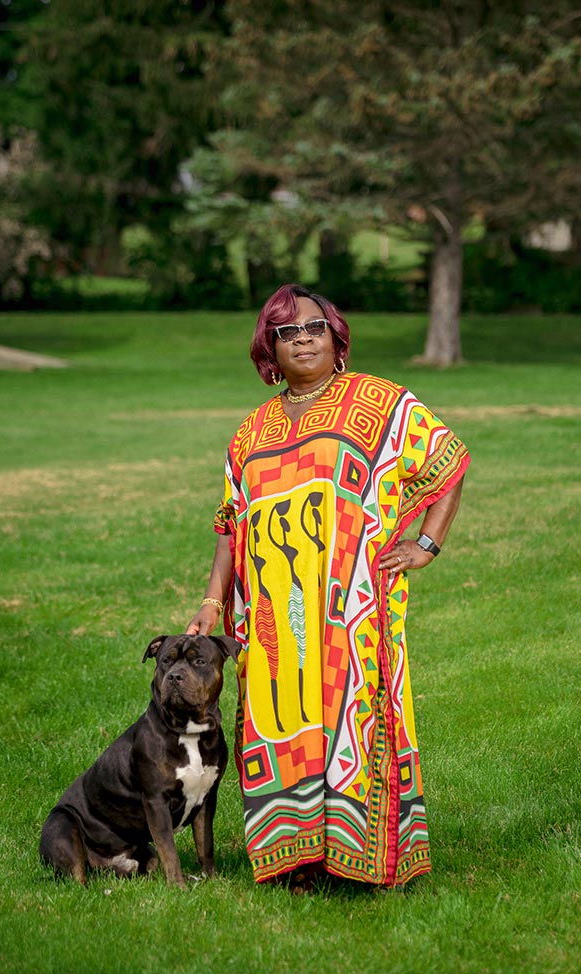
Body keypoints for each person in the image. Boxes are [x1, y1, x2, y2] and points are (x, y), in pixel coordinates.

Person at [187, 283, 469, 890]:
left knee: (354, 715)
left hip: (353, 608)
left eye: (315, 327)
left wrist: (427, 543)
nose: (304, 339)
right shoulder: (250, 433)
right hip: (272, 623)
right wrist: (213, 602)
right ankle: (297, 859)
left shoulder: (380, 402)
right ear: (270, 349)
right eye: (288, 332)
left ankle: (367, 857)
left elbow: (447, 461)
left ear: (335, 336)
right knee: (281, 721)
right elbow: (230, 524)